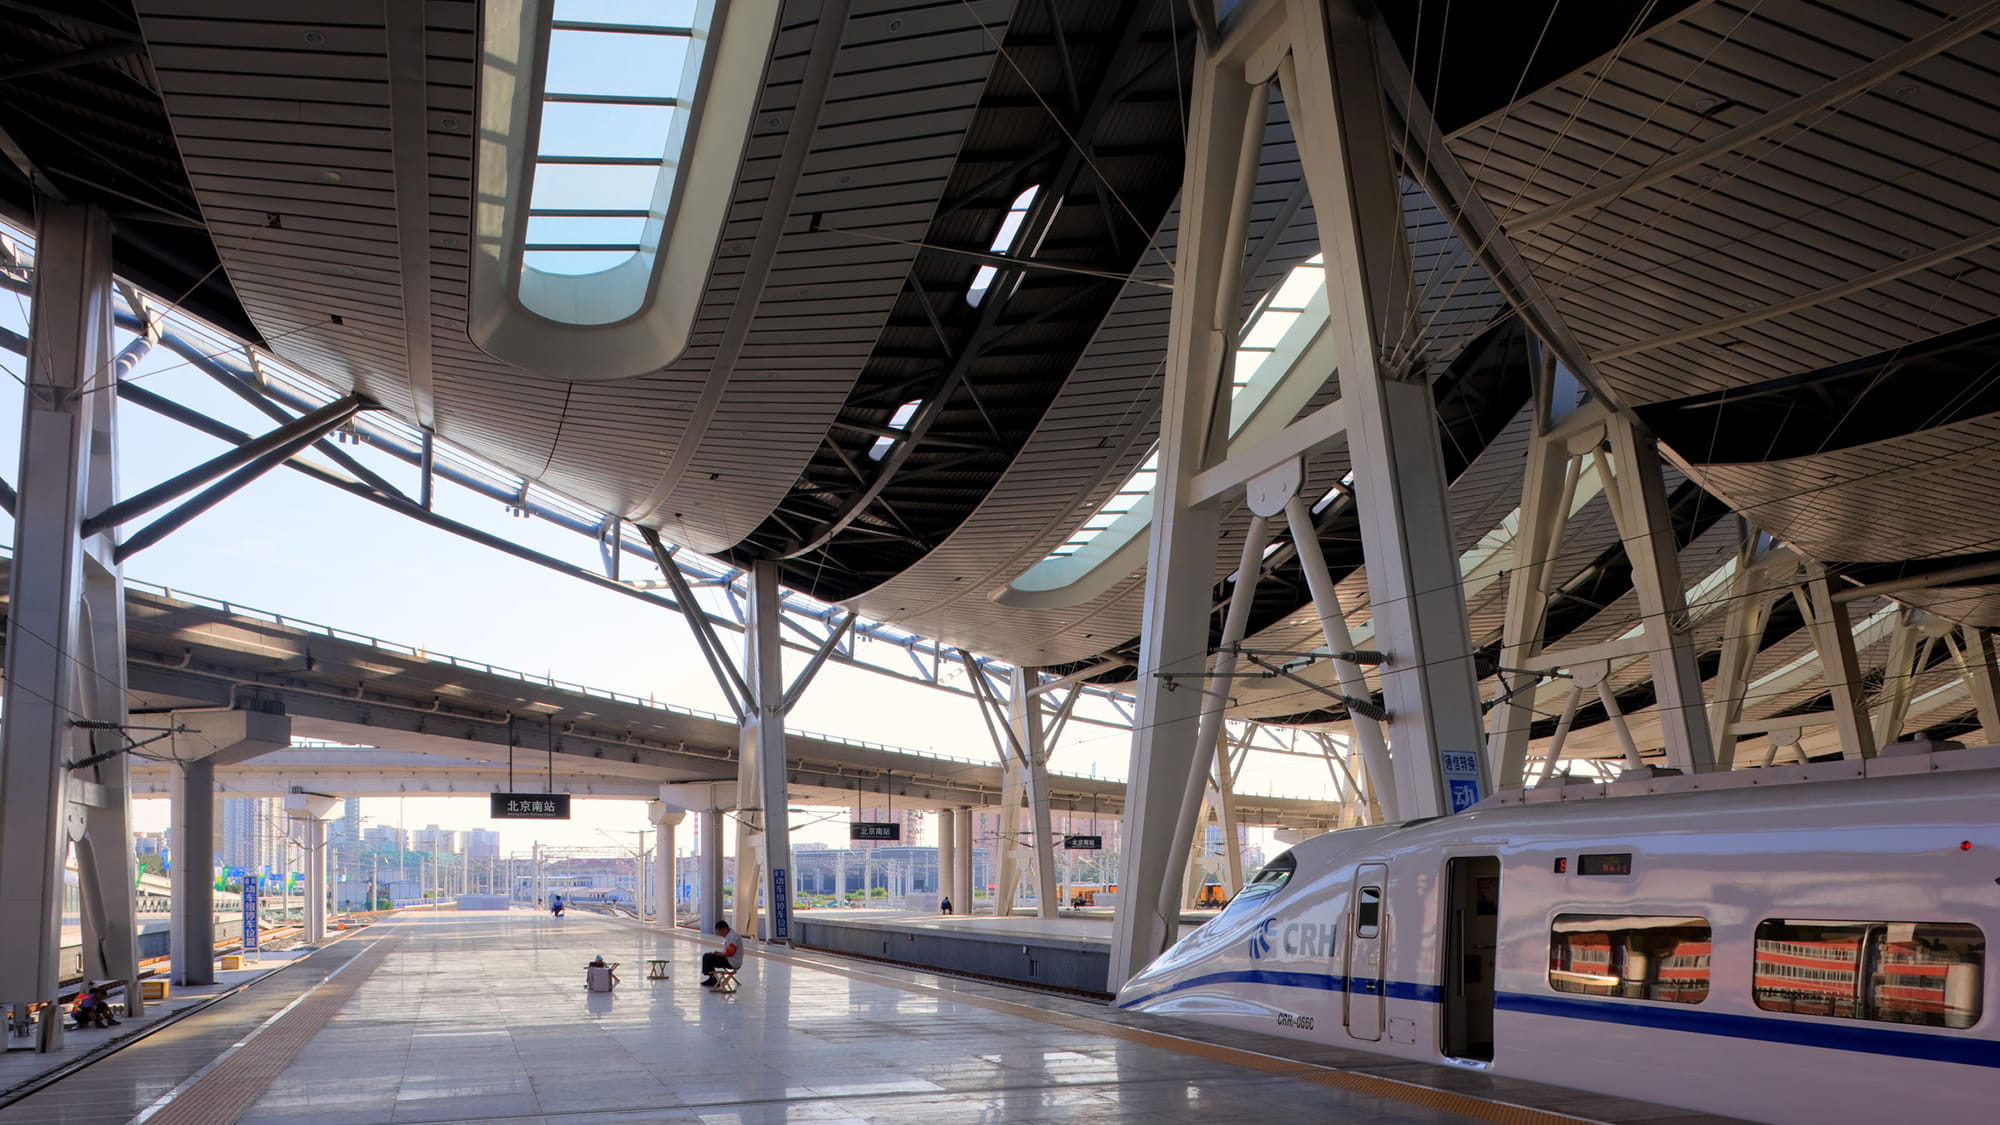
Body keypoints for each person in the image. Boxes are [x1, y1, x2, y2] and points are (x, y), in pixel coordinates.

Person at [700, 920, 741, 986]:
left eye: (719, 932)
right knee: (708, 956)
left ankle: (713, 978)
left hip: (732, 962)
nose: (720, 935)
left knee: (707, 957)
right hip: (728, 959)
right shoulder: (729, 936)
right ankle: (712, 977)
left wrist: (718, 954)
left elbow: (730, 953)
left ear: (724, 929)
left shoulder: (734, 937)